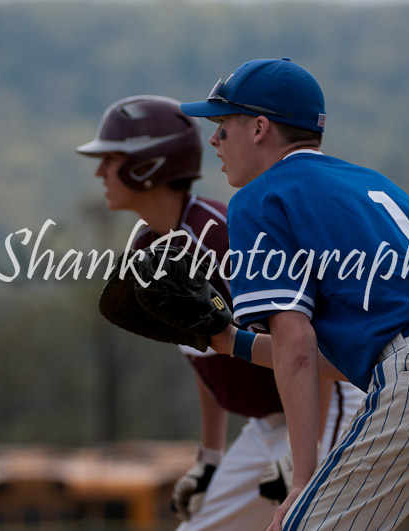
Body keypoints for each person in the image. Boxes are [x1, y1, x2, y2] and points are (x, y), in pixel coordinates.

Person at [180, 58, 409, 530]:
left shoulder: (260, 196)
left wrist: (302, 480)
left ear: (259, 127)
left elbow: (297, 343)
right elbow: (359, 355)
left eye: (222, 125)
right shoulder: (371, 183)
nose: (213, 140)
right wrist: (226, 340)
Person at [76, 95, 366, 530]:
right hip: (266, 426)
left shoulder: (220, 235)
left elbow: (306, 338)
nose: (100, 171)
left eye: (112, 158)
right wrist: (210, 458)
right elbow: (203, 356)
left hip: (325, 406)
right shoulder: (149, 248)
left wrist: (303, 451)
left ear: (148, 165)